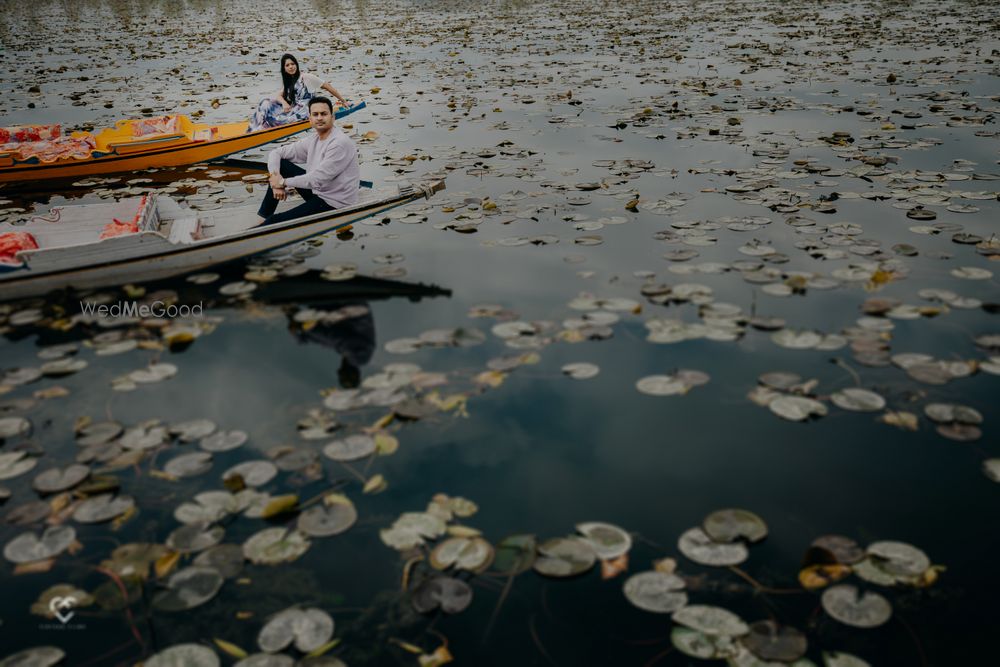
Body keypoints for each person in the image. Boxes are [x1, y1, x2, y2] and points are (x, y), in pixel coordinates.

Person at [256, 96, 360, 226]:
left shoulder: (339, 143)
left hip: (335, 201)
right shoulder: (313, 140)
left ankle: (259, 230)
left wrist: (282, 182)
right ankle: (263, 217)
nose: (320, 118)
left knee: (275, 221)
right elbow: (276, 153)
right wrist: (275, 182)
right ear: (310, 119)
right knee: (281, 165)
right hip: (319, 191)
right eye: (315, 114)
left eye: (324, 114)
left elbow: (318, 179)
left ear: (332, 117)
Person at [248, 53, 348, 132]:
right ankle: (255, 128)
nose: (291, 67)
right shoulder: (289, 81)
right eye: (287, 65)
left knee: (278, 120)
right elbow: (279, 95)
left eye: (293, 64)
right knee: (265, 102)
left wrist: (343, 100)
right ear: (284, 69)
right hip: (294, 108)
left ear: (297, 65)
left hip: (306, 110)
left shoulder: (307, 77)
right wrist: (284, 103)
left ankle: (264, 127)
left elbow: (328, 86)